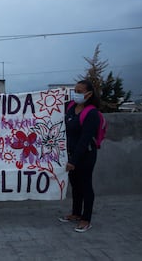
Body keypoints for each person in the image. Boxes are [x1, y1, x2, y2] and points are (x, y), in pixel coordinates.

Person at [59, 79, 100, 232]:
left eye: (79, 92)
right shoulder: (70, 107)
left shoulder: (91, 113)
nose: (75, 94)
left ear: (89, 94)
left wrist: (74, 161)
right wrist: (57, 94)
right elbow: (50, 107)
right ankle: (76, 213)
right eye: (74, 91)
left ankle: (86, 219)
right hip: (70, 154)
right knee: (75, 185)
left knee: (85, 186)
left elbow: (84, 140)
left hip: (85, 155)